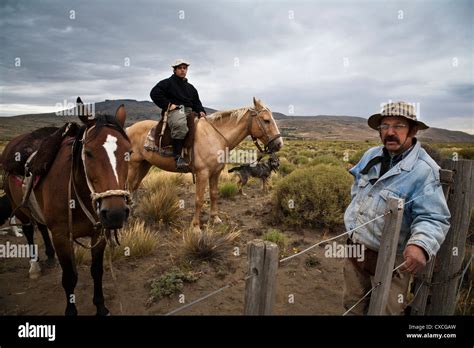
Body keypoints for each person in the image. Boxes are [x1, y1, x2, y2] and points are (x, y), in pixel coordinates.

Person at [342, 101, 450, 315]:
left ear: (413, 129)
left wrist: (420, 244)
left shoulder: (424, 171)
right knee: (352, 306)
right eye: (384, 126)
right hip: (356, 249)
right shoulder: (371, 155)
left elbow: (433, 217)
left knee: (387, 310)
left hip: (393, 262)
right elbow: (357, 187)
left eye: (398, 126)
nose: (390, 132)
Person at [150, 59, 206, 170]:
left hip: (190, 111)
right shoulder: (167, 83)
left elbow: (196, 102)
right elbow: (154, 93)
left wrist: (201, 110)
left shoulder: (191, 88)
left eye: (184, 68)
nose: (182, 70)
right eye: (180, 68)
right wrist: (168, 105)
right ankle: (178, 157)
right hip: (176, 110)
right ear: (175, 70)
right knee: (180, 126)